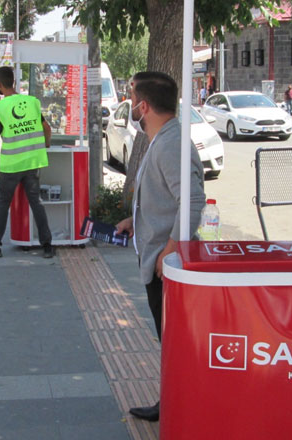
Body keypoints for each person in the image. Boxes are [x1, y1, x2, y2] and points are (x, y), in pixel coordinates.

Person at [115, 71, 207, 423]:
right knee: (168, 340)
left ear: (144, 106)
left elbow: (192, 200)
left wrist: (171, 247)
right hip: (158, 257)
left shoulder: (171, 143)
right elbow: (167, 198)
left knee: (173, 342)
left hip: (166, 264)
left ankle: (177, 406)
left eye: (130, 95)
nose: (129, 103)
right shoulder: (163, 138)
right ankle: (173, 401)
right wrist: (132, 222)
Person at [0, 66, 55, 259]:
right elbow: (47, 128)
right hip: (33, 162)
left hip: (11, 165)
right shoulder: (32, 101)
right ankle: (47, 245)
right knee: (36, 202)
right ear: (14, 82)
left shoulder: (0, 108)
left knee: (3, 203)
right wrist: (46, 145)